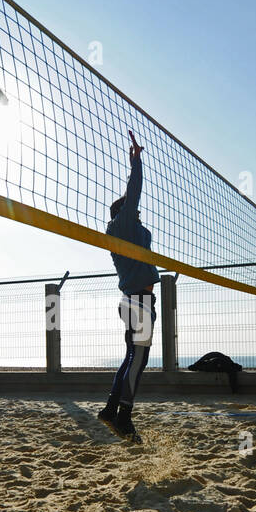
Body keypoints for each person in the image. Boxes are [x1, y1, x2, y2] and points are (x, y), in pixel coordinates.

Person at [97, 131, 155, 443]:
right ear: (124, 213)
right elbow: (134, 193)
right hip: (139, 302)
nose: (138, 213)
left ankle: (110, 409)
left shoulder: (125, 231)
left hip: (133, 300)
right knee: (139, 359)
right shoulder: (123, 225)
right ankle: (123, 417)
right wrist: (136, 163)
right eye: (134, 210)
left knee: (132, 356)